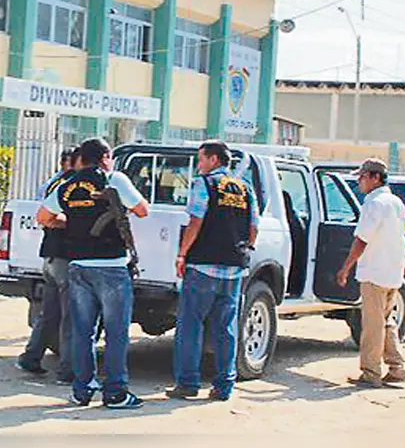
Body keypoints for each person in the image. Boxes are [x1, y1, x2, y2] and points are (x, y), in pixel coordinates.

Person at [37, 137, 149, 409]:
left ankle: (82, 390)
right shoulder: (114, 180)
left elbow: (43, 217)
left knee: (82, 333)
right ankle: (116, 393)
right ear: (105, 157)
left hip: (78, 267)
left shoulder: (67, 185)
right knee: (116, 333)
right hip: (111, 266)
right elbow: (143, 210)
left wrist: (73, 221)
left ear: (81, 159)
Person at [166, 141, 258, 402]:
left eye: (202, 159)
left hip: (203, 267)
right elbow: (253, 226)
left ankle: (187, 384)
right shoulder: (245, 188)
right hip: (234, 269)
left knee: (190, 326)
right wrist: (245, 249)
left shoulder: (204, 184)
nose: (199, 165)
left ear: (214, 159)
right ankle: (224, 386)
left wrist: (182, 253)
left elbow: (196, 221)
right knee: (226, 329)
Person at [336, 158, 405, 388]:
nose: (360, 182)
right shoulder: (396, 202)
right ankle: (396, 367)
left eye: (363, 177)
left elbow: (362, 239)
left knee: (373, 326)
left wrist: (346, 267)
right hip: (393, 271)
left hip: (375, 272)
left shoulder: (373, 203)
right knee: (386, 322)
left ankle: (370, 372)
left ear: (375, 178)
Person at [18, 148, 78, 383]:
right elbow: (50, 218)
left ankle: (31, 357)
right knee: (69, 316)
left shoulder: (55, 184)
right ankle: (67, 370)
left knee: (50, 314)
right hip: (63, 256)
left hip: (51, 256)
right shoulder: (69, 187)